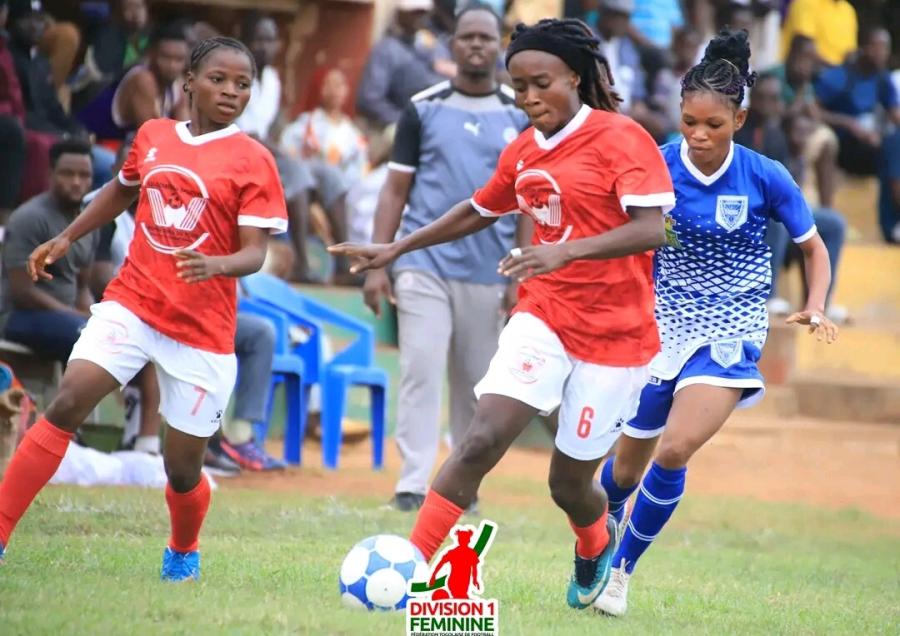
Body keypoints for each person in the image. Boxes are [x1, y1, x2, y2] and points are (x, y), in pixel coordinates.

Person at [331, 17, 675, 608]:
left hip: (618, 338)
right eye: (518, 88)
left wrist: (563, 249)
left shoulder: (623, 138)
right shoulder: (522, 149)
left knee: (568, 484)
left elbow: (653, 228)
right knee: (480, 438)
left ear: (575, 75)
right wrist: (396, 247)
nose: (529, 98)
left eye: (541, 83)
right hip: (543, 317)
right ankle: (409, 569)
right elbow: (479, 208)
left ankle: (595, 542)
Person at [0, 36, 288, 580]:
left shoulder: (255, 160)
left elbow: (254, 252)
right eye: (219, 79)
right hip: (134, 303)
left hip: (202, 331)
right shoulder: (153, 137)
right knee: (67, 403)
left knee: (182, 471)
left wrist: (216, 265)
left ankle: (183, 548)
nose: (231, 91)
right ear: (189, 84)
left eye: (242, 84)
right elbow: (121, 189)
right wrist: (65, 238)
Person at [592, 30, 838, 617]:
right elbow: (619, 231)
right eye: (689, 123)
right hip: (661, 328)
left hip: (731, 329)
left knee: (673, 449)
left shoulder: (765, 175)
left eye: (714, 125)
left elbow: (814, 247)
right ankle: (601, 529)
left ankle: (621, 573)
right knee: (621, 473)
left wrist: (819, 302)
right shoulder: (656, 165)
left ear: (740, 118)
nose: (699, 136)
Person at [362, 4, 529, 512]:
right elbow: (394, 191)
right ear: (451, 44)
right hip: (423, 265)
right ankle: (412, 484)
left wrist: (521, 270)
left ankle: (461, 487)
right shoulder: (421, 107)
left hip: (490, 269)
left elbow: (528, 197)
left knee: (477, 387)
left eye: (485, 38)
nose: (476, 46)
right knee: (420, 369)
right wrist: (379, 263)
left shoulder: (518, 113)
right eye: (466, 38)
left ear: (498, 44)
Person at [0, 139, 98, 363]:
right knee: (85, 334)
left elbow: (83, 286)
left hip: (67, 320)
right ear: (50, 174)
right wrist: (74, 316)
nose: (76, 182)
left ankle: (138, 399)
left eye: (84, 175)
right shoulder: (30, 218)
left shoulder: (88, 222)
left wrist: (93, 314)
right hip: (19, 317)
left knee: (124, 337)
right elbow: (22, 292)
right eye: (67, 174)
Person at [76, 22, 190, 140]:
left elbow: (187, 135)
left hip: (117, 148)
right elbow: (154, 138)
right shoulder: (142, 80)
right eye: (165, 57)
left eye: (179, 59)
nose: (172, 66)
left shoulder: (179, 85)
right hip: (86, 141)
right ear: (152, 54)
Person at [815, 27, 900, 176]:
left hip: (869, 138)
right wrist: (847, 123)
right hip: (842, 141)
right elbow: (814, 111)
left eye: (886, 48)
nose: (882, 53)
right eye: (877, 47)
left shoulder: (881, 78)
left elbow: (895, 113)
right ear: (864, 48)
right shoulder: (840, 76)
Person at [355, 0, 444, 129]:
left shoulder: (431, 46)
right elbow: (370, 99)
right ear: (400, 15)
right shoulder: (386, 50)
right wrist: (406, 120)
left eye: (422, 13)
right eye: (414, 13)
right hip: (398, 125)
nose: (419, 18)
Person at [779, 0, 857, 67]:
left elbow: (851, 51)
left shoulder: (848, 10)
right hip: (809, 71)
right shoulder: (807, 2)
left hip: (836, 75)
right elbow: (803, 45)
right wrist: (834, 68)